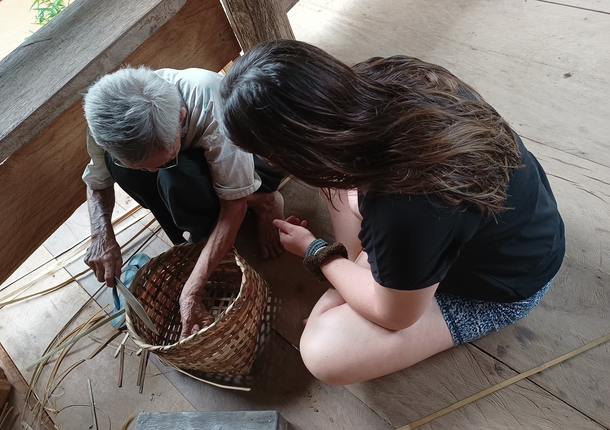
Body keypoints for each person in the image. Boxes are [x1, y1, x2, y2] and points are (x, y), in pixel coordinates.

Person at [219, 40, 565, 385]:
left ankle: (369, 280)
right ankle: (370, 277)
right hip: (516, 218)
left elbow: (393, 316)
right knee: (337, 180)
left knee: (323, 352)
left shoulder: (403, 204)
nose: (268, 163)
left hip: (508, 282)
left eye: (266, 154)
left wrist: (318, 253)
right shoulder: (382, 76)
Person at [82, 66, 285, 338]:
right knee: (120, 168)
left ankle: (262, 200)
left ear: (180, 117)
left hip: (255, 162)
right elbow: (97, 179)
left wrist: (190, 291)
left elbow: (233, 206)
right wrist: (101, 234)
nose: (151, 172)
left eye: (161, 160)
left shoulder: (211, 101)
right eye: (145, 166)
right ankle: (199, 242)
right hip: (195, 164)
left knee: (175, 179)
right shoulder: (106, 115)